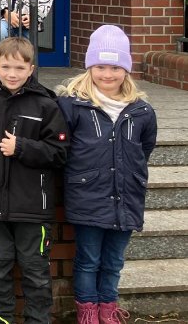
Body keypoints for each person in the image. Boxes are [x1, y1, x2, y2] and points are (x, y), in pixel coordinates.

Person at [0, 37, 68, 324]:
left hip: (33, 209)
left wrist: (21, 148)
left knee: (36, 274)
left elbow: (59, 153)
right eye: (6, 67)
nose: (12, 74)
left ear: (31, 69)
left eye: (20, 67)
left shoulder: (46, 105)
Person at [57, 26, 156, 324]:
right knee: (89, 260)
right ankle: (87, 311)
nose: (108, 74)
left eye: (115, 67)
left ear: (126, 69)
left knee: (114, 261)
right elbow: (62, 149)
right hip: (88, 197)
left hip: (127, 197)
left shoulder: (142, 111)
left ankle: (108, 309)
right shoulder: (72, 104)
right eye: (100, 66)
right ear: (90, 67)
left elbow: (144, 149)